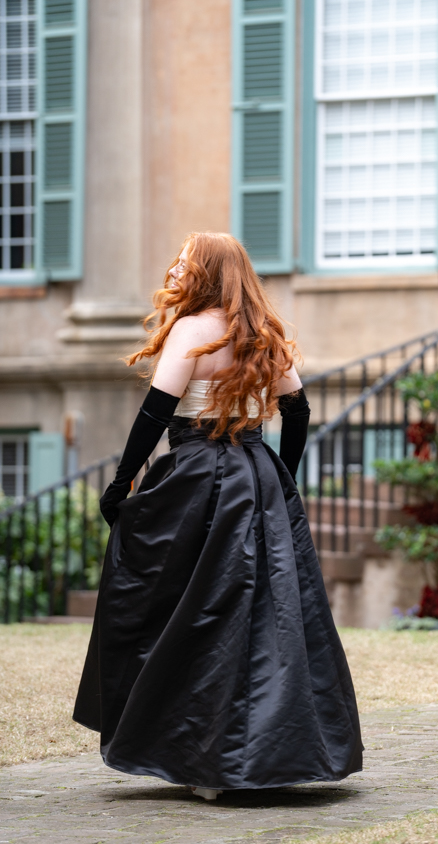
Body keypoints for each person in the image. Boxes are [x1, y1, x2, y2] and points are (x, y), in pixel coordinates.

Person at [73, 232, 363, 800]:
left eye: (184, 262)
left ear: (207, 272)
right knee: (266, 614)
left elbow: (154, 415)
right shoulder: (263, 337)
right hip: (257, 476)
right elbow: (299, 411)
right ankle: (261, 753)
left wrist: (121, 482)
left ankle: (204, 756)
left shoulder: (192, 330)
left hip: (199, 479)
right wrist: (285, 472)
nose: (175, 269)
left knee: (189, 610)